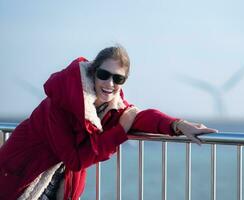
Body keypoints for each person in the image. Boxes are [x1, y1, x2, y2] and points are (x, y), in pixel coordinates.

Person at [0, 45, 217, 200]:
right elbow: (74, 159)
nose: (110, 83)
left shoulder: (109, 106)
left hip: (56, 181)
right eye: (104, 75)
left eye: (118, 79)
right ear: (93, 73)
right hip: (21, 177)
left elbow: (141, 118)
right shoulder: (60, 103)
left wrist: (179, 125)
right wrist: (120, 130)